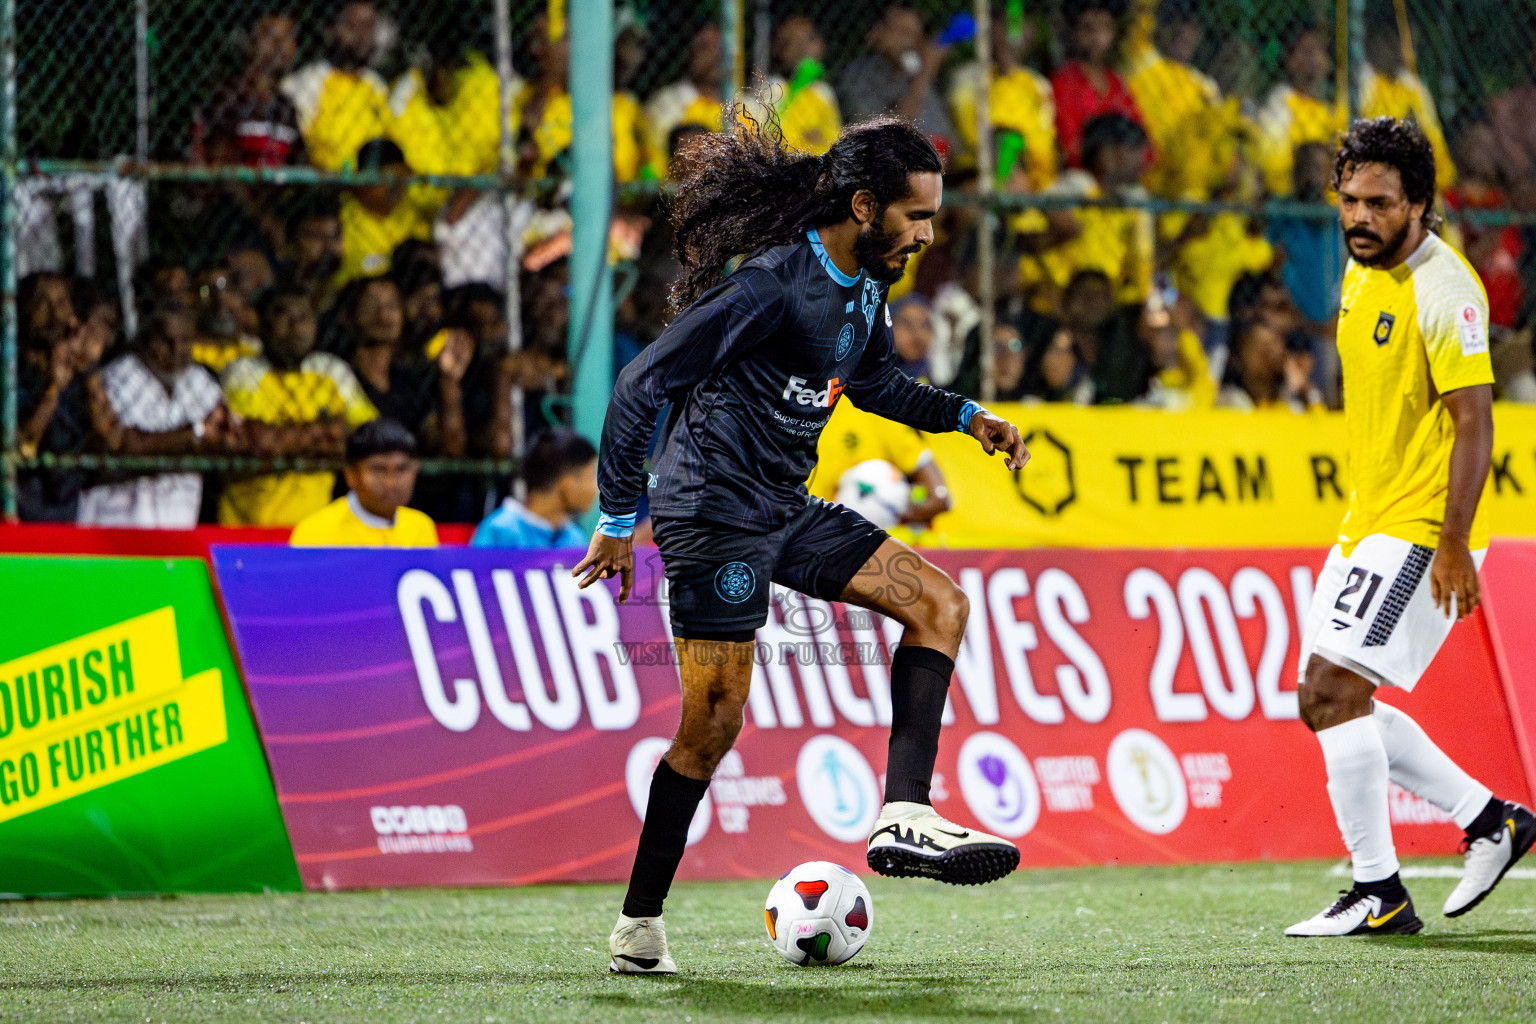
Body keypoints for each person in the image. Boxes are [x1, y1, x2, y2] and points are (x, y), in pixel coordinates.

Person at [572, 114, 1030, 975]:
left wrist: (969, 417)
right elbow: (643, 384)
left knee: (940, 602)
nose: (928, 236)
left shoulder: (865, 284)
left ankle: (904, 813)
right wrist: (618, 517)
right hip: (711, 514)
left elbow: (874, 382)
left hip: (783, 504)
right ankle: (639, 927)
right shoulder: (770, 287)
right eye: (916, 217)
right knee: (712, 723)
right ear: (864, 205)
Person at [1285, 117, 1534, 938]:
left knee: (1332, 690)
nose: (1360, 217)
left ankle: (1378, 891)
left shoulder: (1445, 288)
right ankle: (1490, 820)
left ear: (1419, 204)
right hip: (1368, 519)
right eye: (1349, 200)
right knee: (1326, 700)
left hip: (1424, 524)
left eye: (1380, 204)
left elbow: (1476, 423)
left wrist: (1454, 542)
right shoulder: (1361, 273)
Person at [219, 284, 378, 526]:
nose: (295, 325)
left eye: (303, 317)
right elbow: (252, 442)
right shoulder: (242, 372)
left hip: (315, 530)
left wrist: (283, 438)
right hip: (248, 528)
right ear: (261, 325)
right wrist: (325, 433)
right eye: (283, 315)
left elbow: (368, 436)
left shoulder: (332, 370)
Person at [79, 303, 232, 528]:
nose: (176, 350)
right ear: (145, 340)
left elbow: (230, 436)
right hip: (116, 522)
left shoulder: (199, 380)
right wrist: (197, 435)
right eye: (165, 341)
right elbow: (127, 448)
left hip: (179, 525)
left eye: (185, 341)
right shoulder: (118, 377)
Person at [948, 8, 1057, 192]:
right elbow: (970, 134)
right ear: (990, 30)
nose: (1012, 35)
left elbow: (1043, 141)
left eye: (1019, 25)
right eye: (1005, 25)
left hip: (1029, 175)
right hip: (980, 170)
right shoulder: (967, 78)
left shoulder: (1039, 85)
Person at [280, 0, 392, 172]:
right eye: (355, 26)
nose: (364, 36)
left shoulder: (377, 86)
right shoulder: (305, 82)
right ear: (332, 30)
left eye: (369, 27)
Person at [291, 418, 439, 546]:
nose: (391, 483)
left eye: (401, 469)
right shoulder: (316, 533)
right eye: (379, 470)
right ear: (351, 475)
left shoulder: (420, 528)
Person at [15, 272, 90, 521]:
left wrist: (86, 363)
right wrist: (53, 388)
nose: (55, 315)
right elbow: (21, 446)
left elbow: (112, 439)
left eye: (61, 303)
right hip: (21, 514)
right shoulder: (12, 373)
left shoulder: (80, 372)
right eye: (41, 304)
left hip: (69, 514)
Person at [838, 7, 956, 156]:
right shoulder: (858, 77)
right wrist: (922, 77)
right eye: (901, 32)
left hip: (937, 162)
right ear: (876, 32)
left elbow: (944, 136)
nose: (908, 41)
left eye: (914, 35)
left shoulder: (913, 72)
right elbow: (882, 136)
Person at [193, 12, 306, 167]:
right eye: (269, 36)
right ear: (251, 43)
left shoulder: (286, 106)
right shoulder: (229, 96)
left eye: (287, 37)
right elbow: (218, 162)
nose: (279, 45)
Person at [1050, 0, 1144, 170]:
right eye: (1088, 29)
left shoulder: (1117, 83)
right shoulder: (1064, 81)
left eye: (1104, 28)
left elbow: (1141, 138)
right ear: (1075, 33)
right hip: (1082, 173)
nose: (1097, 38)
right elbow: (1069, 142)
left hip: (1121, 172)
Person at [1255, 24, 1346, 197]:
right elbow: (1274, 168)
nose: (1316, 58)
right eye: (1306, 51)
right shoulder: (1280, 102)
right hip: (1293, 202)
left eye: (1318, 50)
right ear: (1290, 60)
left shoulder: (1328, 109)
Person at [471, 428, 596, 549]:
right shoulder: (498, 532)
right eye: (591, 476)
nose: (596, 489)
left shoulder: (575, 538)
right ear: (566, 482)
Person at [337, 139, 438, 284]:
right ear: (362, 179)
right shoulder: (344, 218)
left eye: (400, 180)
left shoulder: (414, 214)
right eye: (389, 180)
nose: (395, 189)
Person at [746, 16, 842, 157]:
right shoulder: (771, 90)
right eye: (793, 43)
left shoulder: (823, 93)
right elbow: (765, 139)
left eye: (808, 40)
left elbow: (835, 139)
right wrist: (804, 140)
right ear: (779, 51)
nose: (802, 50)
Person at [645, 22, 726, 166]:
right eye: (705, 47)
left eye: (720, 47)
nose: (716, 55)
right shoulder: (666, 104)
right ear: (689, 54)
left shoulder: (745, 104)